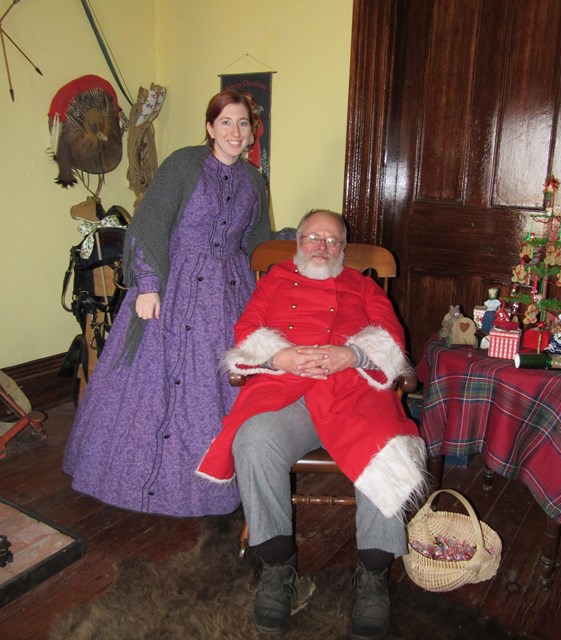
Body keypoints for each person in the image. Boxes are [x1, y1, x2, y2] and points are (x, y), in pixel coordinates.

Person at [196, 210, 427, 639]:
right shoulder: (275, 280)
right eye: (313, 238)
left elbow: (392, 338)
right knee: (255, 438)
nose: (322, 246)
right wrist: (278, 356)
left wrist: (353, 354)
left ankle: (374, 576)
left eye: (332, 240)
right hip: (287, 391)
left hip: (354, 392)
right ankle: (278, 570)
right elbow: (246, 332)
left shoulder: (363, 286)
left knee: (387, 447)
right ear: (298, 242)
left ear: (343, 250)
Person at [63, 90, 272, 517]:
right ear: (210, 128)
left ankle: (218, 485)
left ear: (251, 133)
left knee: (219, 387)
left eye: (243, 123)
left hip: (228, 296)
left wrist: (299, 246)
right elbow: (151, 223)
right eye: (226, 122)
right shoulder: (183, 164)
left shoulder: (254, 180)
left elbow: (259, 242)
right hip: (173, 289)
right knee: (152, 382)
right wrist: (148, 285)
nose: (236, 131)